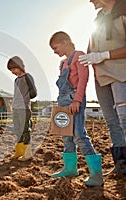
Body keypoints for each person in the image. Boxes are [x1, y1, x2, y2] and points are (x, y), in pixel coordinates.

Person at [49, 31, 103, 186]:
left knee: (79, 134)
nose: (54, 51)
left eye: (55, 47)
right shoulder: (62, 63)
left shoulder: (79, 56)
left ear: (64, 42)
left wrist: (77, 101)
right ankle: (70, 168)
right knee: (66, 135)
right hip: (62, 100)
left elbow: (83, 80)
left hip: (74, 100)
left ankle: (96, 175)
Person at [79, 0, 126, 176]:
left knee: (124, 119)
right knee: (112, 121)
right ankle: (121, 165)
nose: (90, 1)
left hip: (121, 73)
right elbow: (90, 48)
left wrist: (105, 55)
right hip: (101, 77)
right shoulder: (98, 19)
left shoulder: (123, 12)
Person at [7, 56, 36, 161]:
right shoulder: (16, 80)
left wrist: (24, 99)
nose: (13, 72)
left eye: (14, 69)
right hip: (16, 108)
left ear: (19, 66)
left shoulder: (27, 77)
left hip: (24, 108)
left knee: (25, 131)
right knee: (17, 130)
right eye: (11, 70)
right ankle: (19, 151)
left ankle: (27, 153)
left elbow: (34, 93)